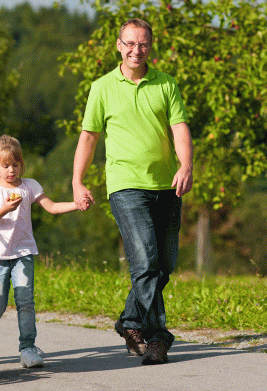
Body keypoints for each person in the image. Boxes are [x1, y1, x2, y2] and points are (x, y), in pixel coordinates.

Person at [72, 18, 193, 365]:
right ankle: (157, 337)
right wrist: (78, 181)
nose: (135, 50)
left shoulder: (166, 85)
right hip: (125, 185)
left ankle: (129, 320)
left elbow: (179, 129)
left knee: (164, 265)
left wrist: (185, 165)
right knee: (145, 262)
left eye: (142, 44)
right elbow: (89, 137)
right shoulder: (102, 87)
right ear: (118, 45)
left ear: (150, 48)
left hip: (166, 185)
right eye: (129, 44)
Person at [0, 135, 82, 368]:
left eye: (16, 165)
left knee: (25, 301)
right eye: (5, 166)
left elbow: (52, 207)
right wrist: (5, 208)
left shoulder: (29, 186)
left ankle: (28, 348)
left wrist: (76, 204)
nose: (11, 170)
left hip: (23, 252)